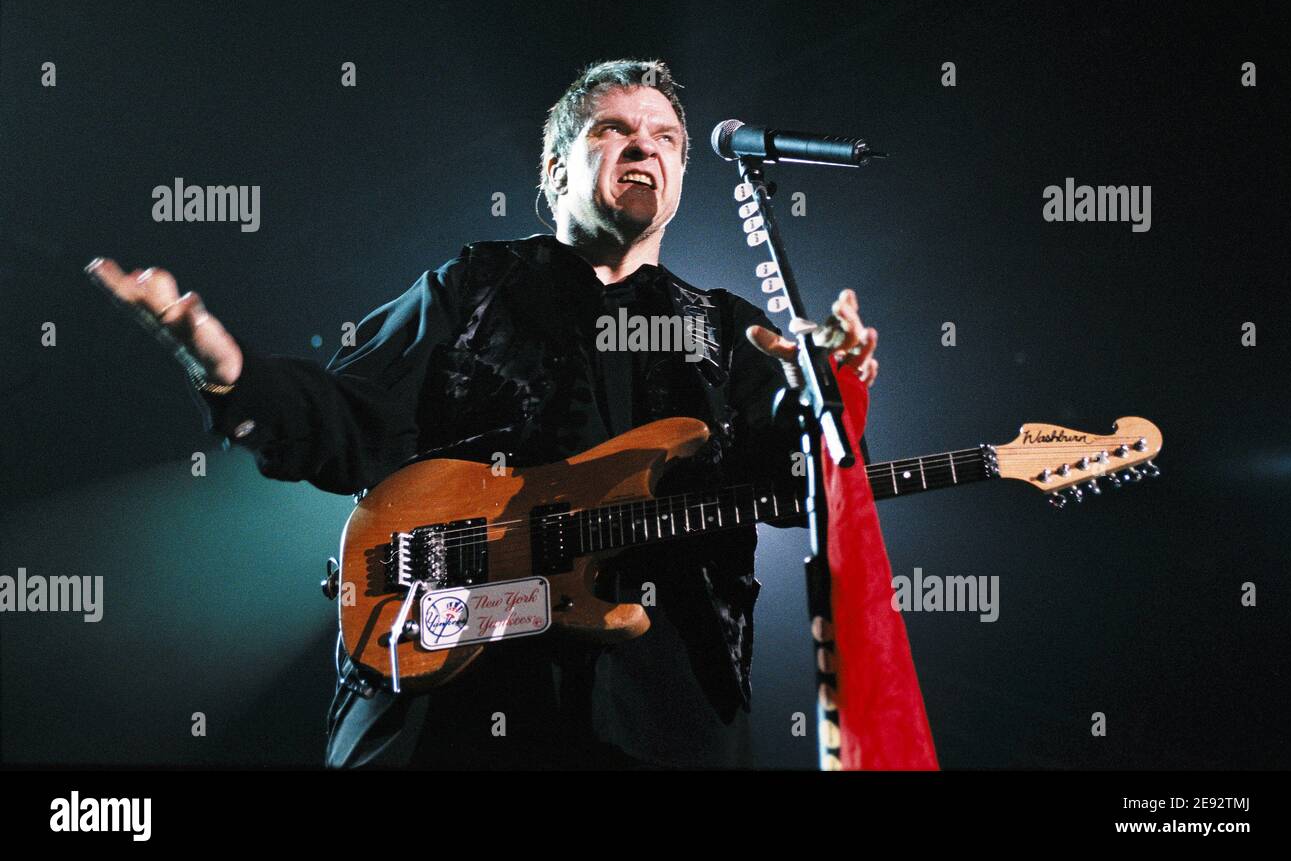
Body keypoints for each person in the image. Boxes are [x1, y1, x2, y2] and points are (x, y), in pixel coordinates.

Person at [87, 59, 879, 769]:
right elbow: (345, 418)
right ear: (554, 164)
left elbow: (799, 484)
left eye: (667, 137)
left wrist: (833, 392)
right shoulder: (475, 289)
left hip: (664, 712)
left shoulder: (728, 333)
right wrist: (229, 370)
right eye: (615, 128)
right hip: (461, 693)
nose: (646, 147)